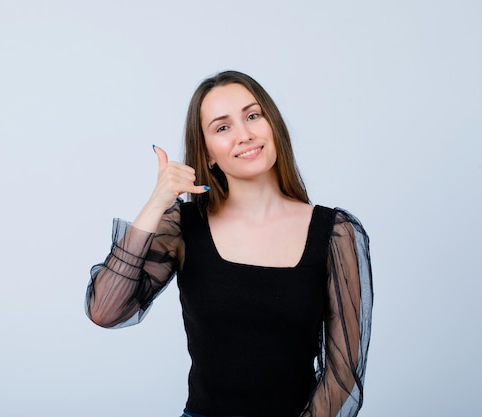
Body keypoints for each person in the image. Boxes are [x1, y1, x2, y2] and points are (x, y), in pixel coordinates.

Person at [85, 70, 373, 417]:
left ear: (273, 126)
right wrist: (158, 201)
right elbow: (105, 311)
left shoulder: (334, 232)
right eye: (223, 127)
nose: (245, 135)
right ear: (206, 154)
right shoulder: (182, 226)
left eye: (253, 116)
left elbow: (342, 373)